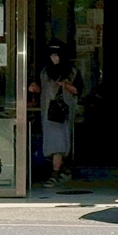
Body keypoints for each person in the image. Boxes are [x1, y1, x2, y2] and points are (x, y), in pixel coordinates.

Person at [29, 41, 83, 187]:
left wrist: (64, 85)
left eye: (57, 55)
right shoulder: (44, 71)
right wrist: (34, 88)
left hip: (62, 113)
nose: (54, 57)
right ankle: (62, 169)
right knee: (53, 143)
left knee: (59, 143)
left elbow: (77, 90)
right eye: (52, 55)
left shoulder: (72, 71)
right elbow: (40, 88)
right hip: (47, 113)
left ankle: (55, 173)